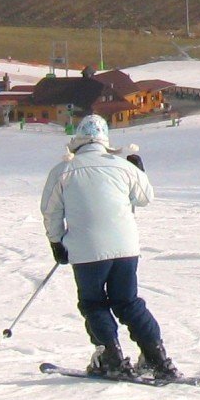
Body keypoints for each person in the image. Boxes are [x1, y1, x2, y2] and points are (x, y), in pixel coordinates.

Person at [39, 115, 178, 380]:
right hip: (126, 248)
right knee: (128, 302)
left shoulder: (63, 171)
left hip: (86, 249)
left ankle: (111, 356)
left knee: (93, 303)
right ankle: (157, 358)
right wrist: (139, 170)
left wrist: (57, 243)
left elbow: (51, 212)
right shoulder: (122, 166)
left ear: (77, 140)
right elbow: (145, 197)